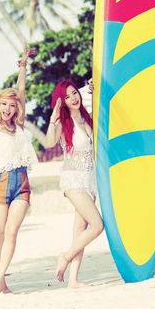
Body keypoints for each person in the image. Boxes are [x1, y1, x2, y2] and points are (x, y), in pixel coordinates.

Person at [46, 79, 103, 286]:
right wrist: (53, 119)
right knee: (97, 226)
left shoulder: (87, 118)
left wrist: (93, 88)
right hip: (73, 180)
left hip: (90, 180)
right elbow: (49, 143)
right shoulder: (64, 123)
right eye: (67, 97)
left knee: (80, 230)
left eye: (74, 93)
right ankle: (66, 256)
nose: (73, 98)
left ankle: (73, 280)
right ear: (62, 102)